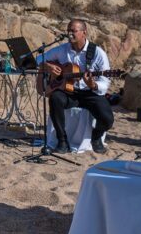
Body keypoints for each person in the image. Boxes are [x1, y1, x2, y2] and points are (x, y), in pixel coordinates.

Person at [37, 19, 114, 154]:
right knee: (55, 98)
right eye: (68, 31)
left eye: (74, 31)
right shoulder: (62, 50)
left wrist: (93, 84)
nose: (70, 34)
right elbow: (38, 59)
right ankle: (62, 141)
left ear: (84, 33)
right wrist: (48, 66)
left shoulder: (97, 53)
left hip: (90, 93)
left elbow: (105, 82)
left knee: (107, 119)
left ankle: (96, 137)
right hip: (69, 92)